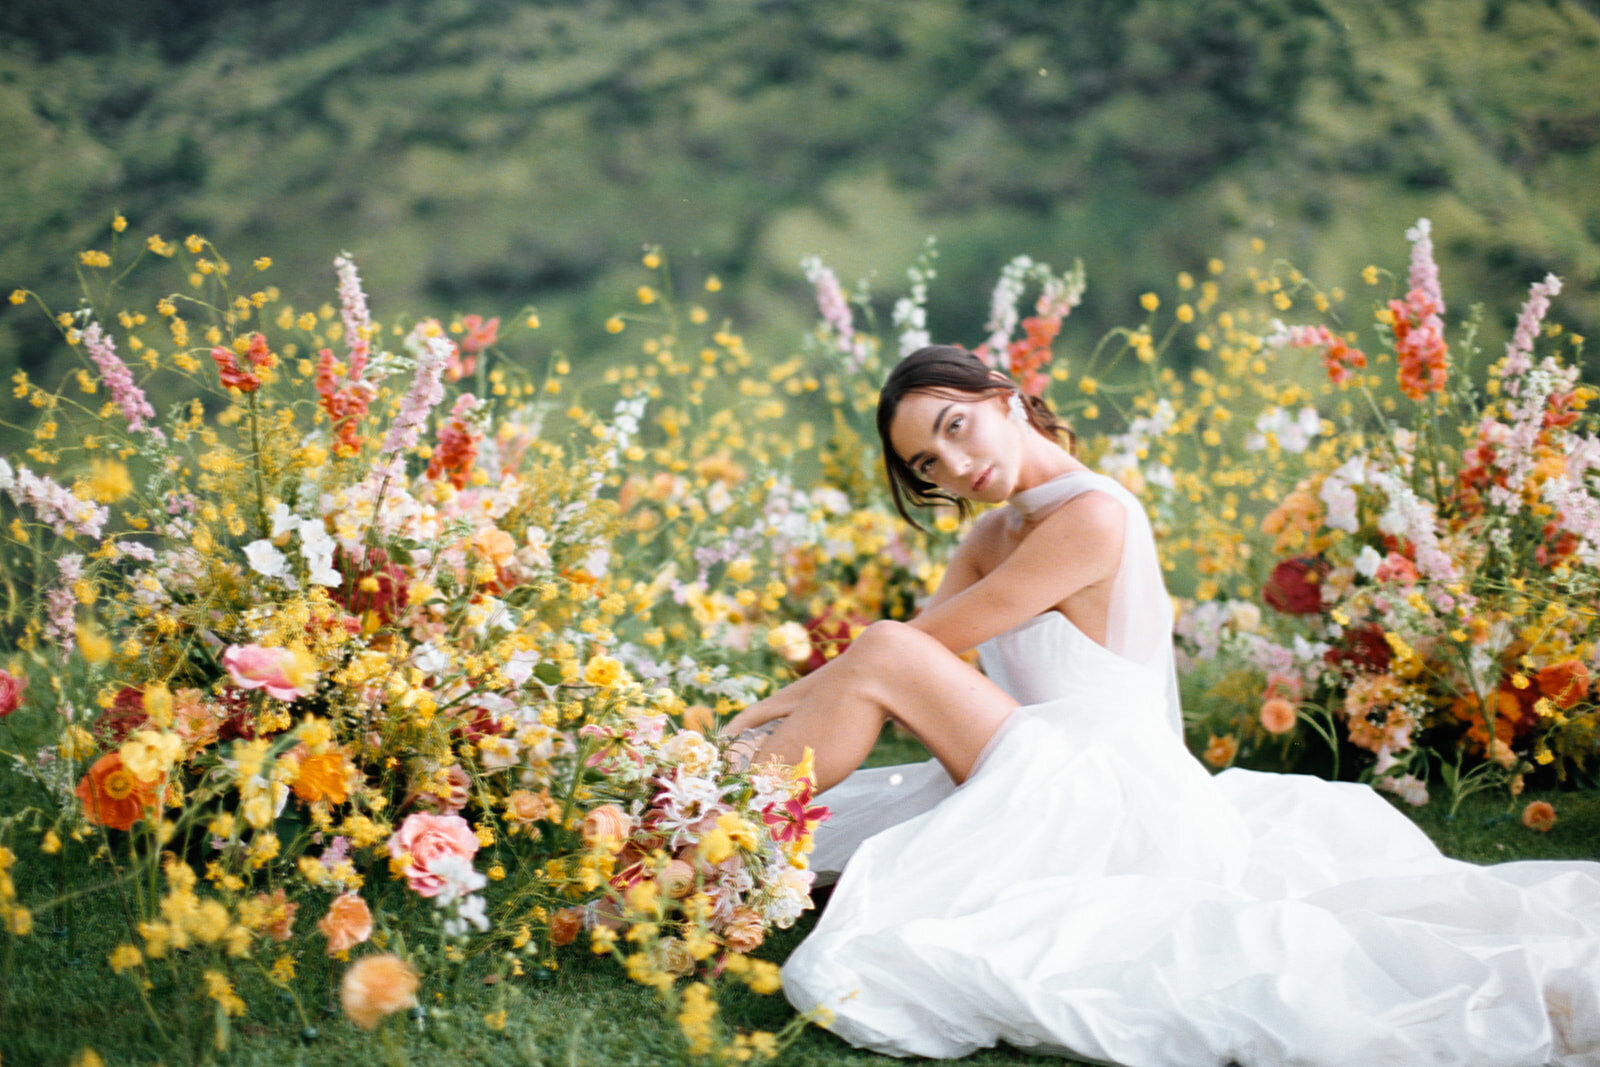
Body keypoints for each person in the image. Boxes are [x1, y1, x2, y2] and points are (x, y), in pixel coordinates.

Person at [722, 345, 1600, 1065]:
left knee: (880, 668)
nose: (953, 465)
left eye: (955, 428)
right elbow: (915, 641)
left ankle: (708, 805)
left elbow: (922, 643)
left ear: (1006, 395)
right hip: (1029, 763)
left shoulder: (1094, 516)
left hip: (1103, 787)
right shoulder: (994, 532)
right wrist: (794, 698)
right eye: (927, 462)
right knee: (855, 791)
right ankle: (708, 809)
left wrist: (769, 705)